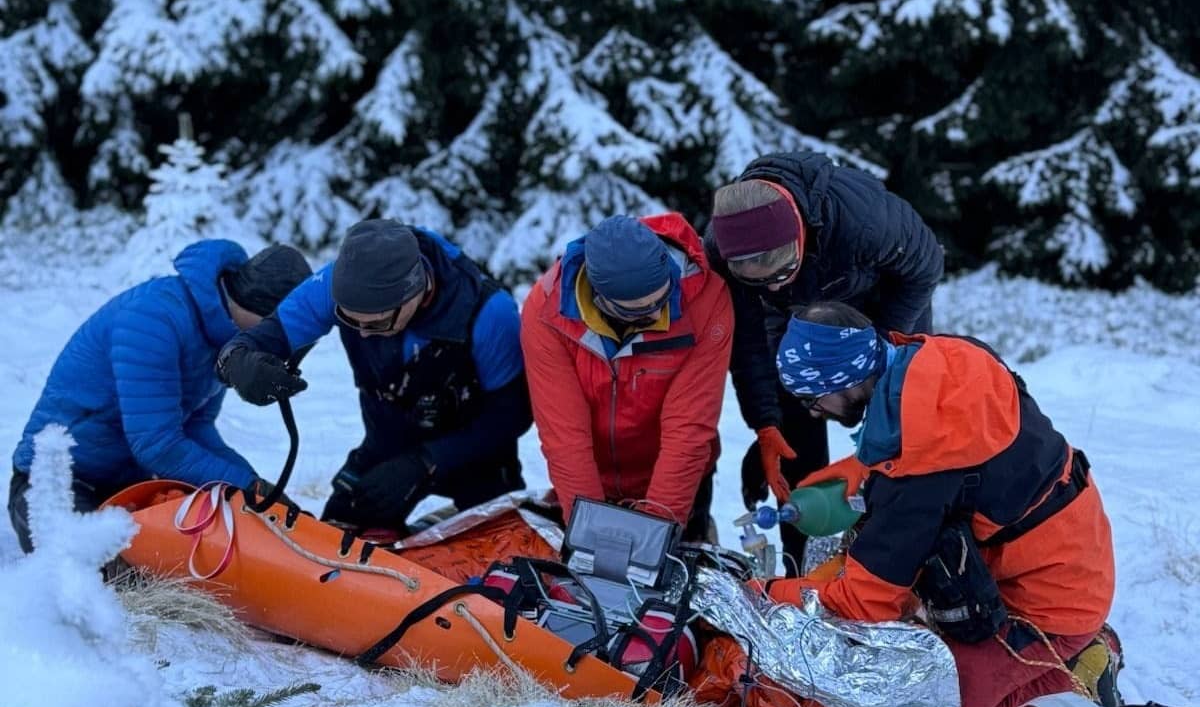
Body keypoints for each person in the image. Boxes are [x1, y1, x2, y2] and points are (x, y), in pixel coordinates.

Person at [763, 301, 1120, 707]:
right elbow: (954, 460)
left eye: (812, 399)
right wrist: (863, 470)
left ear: (849, 382)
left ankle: (1082, 664)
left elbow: (862, 604)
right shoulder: (943, 360)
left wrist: (767, 593)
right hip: (1075, 550)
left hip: (1045, 608)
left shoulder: (916, 477)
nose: (813, 413)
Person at [704, 150, 943, 570]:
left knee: (895, 429)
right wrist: (766, 423)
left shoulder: (863, 221)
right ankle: (803, 569)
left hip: (877, 310)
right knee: (796, 420)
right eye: (762, 283)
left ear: (799, 234)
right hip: (792, 323)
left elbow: (924, 267)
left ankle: (893, 561)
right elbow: (747, 344)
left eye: (782, 272)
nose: (775, 287)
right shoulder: (721, 249)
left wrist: (877, 354)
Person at [217, 218, 529, 532]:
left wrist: (426, 461)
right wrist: (241, 364)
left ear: (414, 293)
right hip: (387, 438)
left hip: (475, 451)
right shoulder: (338, 284)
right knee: (337, 538)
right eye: (349, 321)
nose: (363, 335)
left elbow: (513, 413)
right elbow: (262, 338)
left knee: (496, 552)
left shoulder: (489, 313)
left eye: (377, 325)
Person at [9, 240, 311, 553]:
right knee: (108, 577)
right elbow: (156, 445)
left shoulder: (225, 338)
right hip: (55, 486)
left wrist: (256, 488)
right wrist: (245, 489)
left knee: (211, 560)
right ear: (265, 314)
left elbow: (197, 428)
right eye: (278, 332)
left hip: (129, 486)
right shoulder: (153, 317)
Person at [521, 214, 733, 539]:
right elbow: (565, 436)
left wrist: (657, 532)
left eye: (662, 299)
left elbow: (688, 430)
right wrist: (587, 531)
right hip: (592, 477)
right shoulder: (547, 312)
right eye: (636, 310)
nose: (655, 314)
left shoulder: (705, 300)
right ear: (599, 297)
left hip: (676, 478)